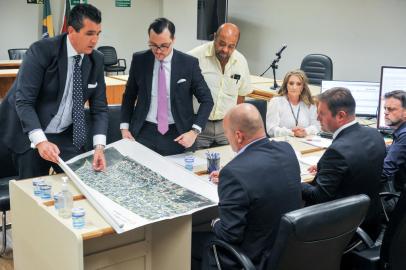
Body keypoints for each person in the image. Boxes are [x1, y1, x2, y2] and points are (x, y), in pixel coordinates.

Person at [0, 4, 108, 179]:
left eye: (98, 33)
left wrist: (99, 147)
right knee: (33, 190)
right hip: (30, 132)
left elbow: (100, 109)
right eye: (89, 34)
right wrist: (41, 141)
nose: (95, 40)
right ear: (71, 31)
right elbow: (24, 101)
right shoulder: (41, 51)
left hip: (66, 134)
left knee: (81, 183)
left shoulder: (96, 60)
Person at [192, 103, 302, 270]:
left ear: (238, 136)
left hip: (252, 258)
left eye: (227, 134)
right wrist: (236, 179)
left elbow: (230, 235)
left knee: (189, 241)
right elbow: (264, 175)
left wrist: (215, 222)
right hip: (286, 250)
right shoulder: (286, 150)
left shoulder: (234, 172)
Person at [120, 18, 213, 156]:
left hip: (178, 133)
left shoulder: (189, 63)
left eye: (164, 46)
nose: (158, 51)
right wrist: (124, 128)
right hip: (143, 131)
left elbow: (207, 100)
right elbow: (129, 96)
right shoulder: (140, 60)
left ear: (173, 40)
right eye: (153, 45)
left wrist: (194, 131)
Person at [301, 87, 386, 238]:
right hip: (371, 220)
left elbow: (318, 197)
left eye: (321, 113)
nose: (317, 118)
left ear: (340, 116)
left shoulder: (337, 152)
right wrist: (324, 168)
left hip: (342, 229)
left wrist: (295, 180)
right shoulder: (375, 135)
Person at [189, 23, 252, 149]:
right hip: (198, 125)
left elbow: (241, 95)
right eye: (222, 44)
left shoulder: (241, 61)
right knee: (196, 165)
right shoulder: (194, 57)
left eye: (231, 46)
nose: (225, 50)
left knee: (228, 163)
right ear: (214, 37)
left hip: (227, 126)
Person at [266, 70, 319, 137]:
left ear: (303, 87)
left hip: (305, 143)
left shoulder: (309, 103)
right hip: (283, 143)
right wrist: (291, 133)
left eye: (299, 84)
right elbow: (271, 130)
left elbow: (317, 126)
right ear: (286, 85)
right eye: (291, 83)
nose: (294, 87)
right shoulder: (276, 102)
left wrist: (305, 131)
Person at [381, 90, 406, 211]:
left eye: (391, 109)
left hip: (399, 197)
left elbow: (384, 173)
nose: (385, 113)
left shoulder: (404, 136)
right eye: (385, 108)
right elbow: (387, 150)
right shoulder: (401, 133)